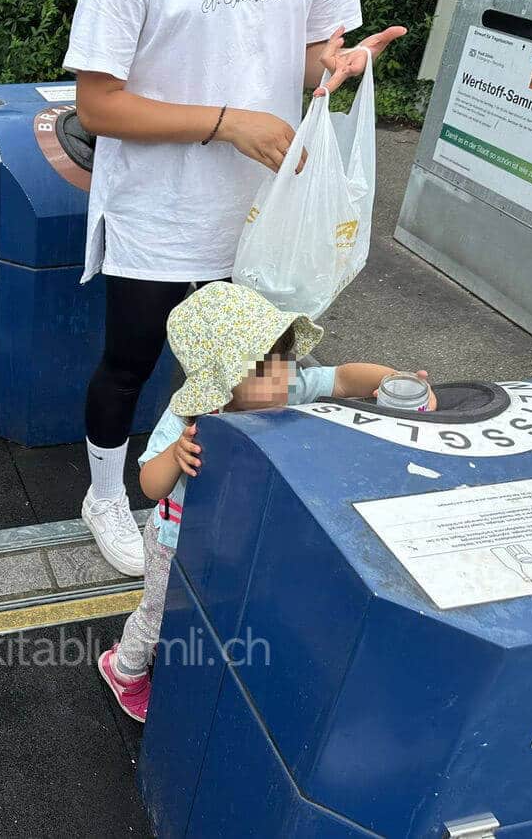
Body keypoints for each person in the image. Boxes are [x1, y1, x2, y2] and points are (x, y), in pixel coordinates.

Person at [63, 0, 408, 576]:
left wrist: (334, 63)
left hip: (263, 208)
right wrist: (227, 122)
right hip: (159, 206)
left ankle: (214, 480)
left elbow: (301, 59)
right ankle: (107, 494)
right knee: (130, 361)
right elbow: (96, 104)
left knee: (256, 367)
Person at [96, 282, 436, 721]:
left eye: (283, 360)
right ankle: (124, 667)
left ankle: (201, 660)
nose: (282, 376)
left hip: (240, 531)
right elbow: (149, 484)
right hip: (176, 540)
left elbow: (345, 377)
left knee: (223, 607)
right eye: (264, 369)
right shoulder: (190, 417)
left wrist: (394, 381)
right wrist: (174, 456)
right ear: (223, 378)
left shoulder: (285, 388)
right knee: (161, 613)